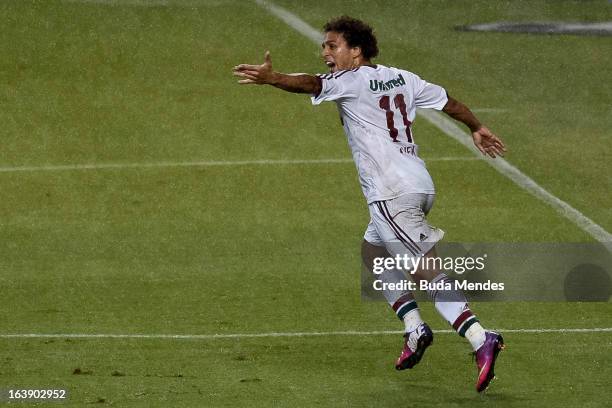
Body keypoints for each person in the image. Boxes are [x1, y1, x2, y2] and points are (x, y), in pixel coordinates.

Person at [233, 16, 506, 392]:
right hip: (419, 184)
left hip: (391, 192)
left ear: (356, 51)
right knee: (373, 253)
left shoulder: (351, 80)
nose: (326, 53)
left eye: (333, 46)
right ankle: (415, 329)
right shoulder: (403, 78)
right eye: (324, 47)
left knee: (422, 270)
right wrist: (477, 127)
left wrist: (272, 77)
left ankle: (480, 337)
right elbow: (449, 102)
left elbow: (311, 83)